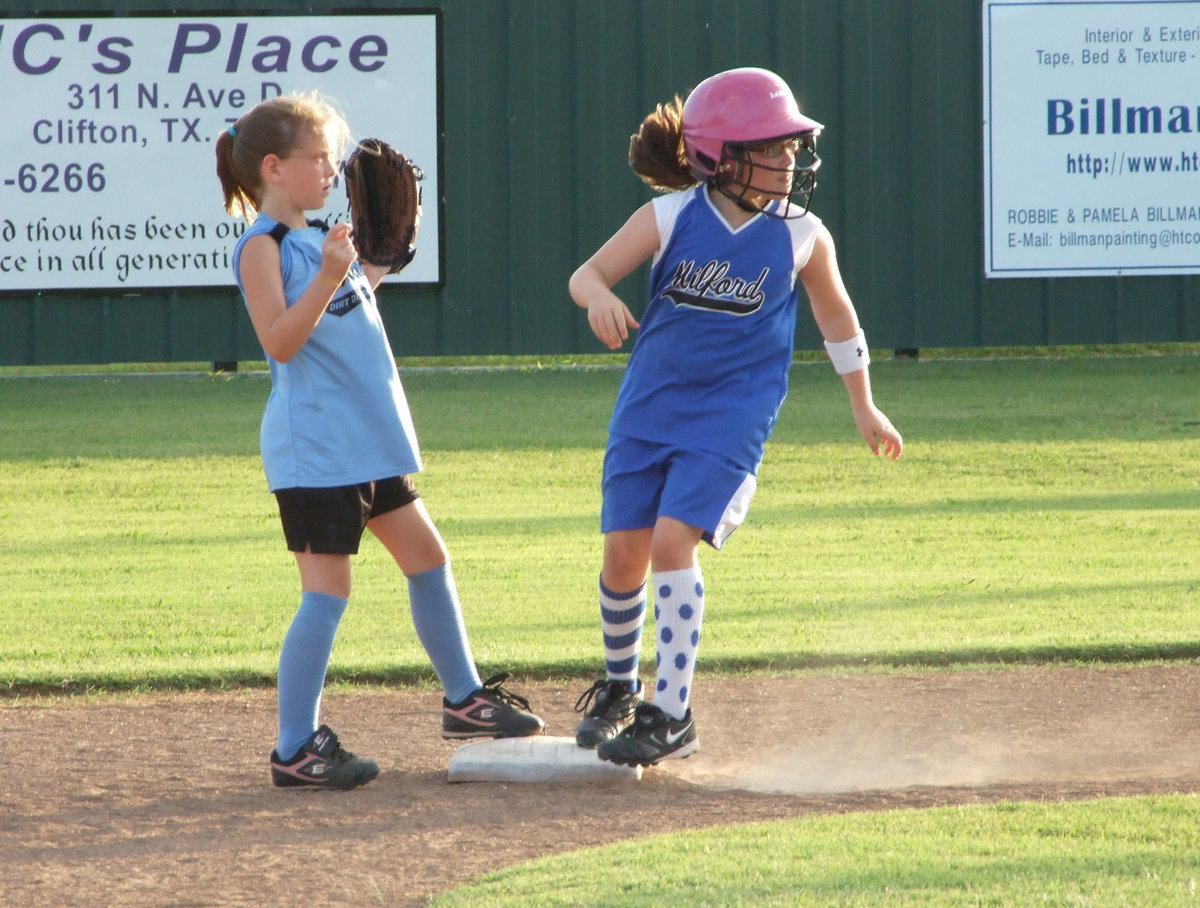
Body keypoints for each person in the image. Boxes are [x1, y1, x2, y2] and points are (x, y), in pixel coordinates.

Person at [567, 67, 903, 767]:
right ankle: (621, 687)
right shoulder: (671, 216)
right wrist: (597, 296)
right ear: (719, 154)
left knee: (669, 544)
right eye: (770, 148)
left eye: (790, 148)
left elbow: (837, 317)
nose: (788, 162)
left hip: (730, 416)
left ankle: (673, 712)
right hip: (648, 407)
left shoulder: (802, 233)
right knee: (623, 551)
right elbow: (587, 274)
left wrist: (863, 403)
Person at [215, 92, 543, 790]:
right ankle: (295, 746)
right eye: (318, 159)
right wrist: (333, 274)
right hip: (317, 449)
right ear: (274, 168)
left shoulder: (318, 240)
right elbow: (280, 339)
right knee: (327, 593)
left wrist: (374, 267)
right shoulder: (261, 247)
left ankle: (465, 701)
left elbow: (342, 314)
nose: (332, 170)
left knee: (428, 557)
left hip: (366, 439)